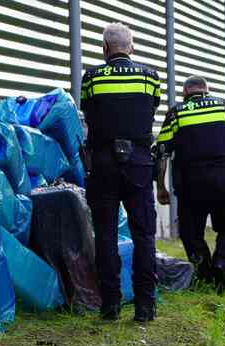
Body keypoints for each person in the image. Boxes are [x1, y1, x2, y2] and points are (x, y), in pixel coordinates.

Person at [155, 76, 225, 294]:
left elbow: (162, 152)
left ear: (185, 93)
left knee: (190, 232)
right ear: (207, 90)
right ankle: (221, 266)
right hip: (223, 181)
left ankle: (205, 275)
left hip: (190, 184)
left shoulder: (177, 113)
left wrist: (161, 186)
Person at [80, 22, 160, 322]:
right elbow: (150, 109)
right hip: (139, 161)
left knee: (105, 235)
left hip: (103, 162)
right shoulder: (150, 77)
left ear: (104, 48)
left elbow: (88, 111)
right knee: (144, 234)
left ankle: (110, 305)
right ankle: (145, 307)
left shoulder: (91, 77)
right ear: (132, 46)